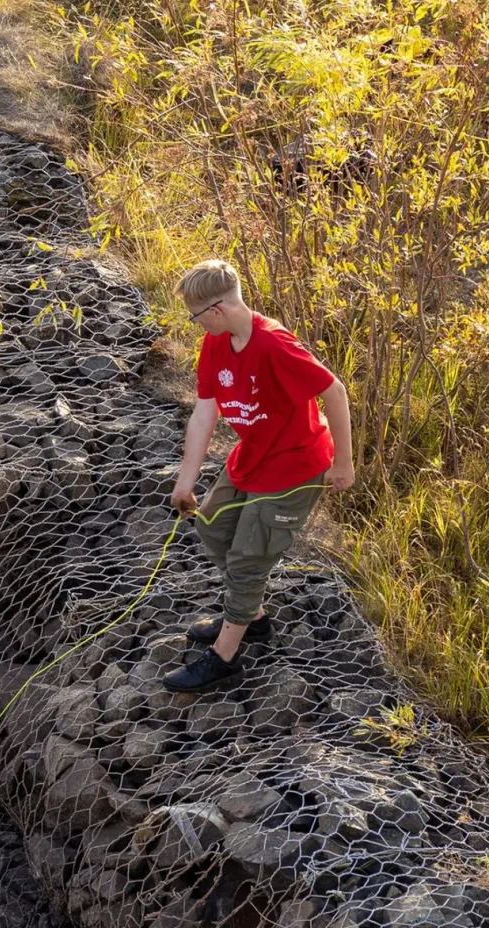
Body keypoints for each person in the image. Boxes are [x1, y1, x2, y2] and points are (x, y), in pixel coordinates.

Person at [161, 259, 355, 693]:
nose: (195, 326)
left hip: (296, 466)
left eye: (195, 317)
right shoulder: (215, 344)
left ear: (216, 310)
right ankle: (252, 618)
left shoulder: (275, 345)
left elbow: (334, 391)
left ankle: (224, 659)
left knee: (250, 556)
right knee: (213, 529)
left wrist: (343, 462)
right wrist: (185, 481)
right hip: (253, 457)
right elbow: (204, 412)